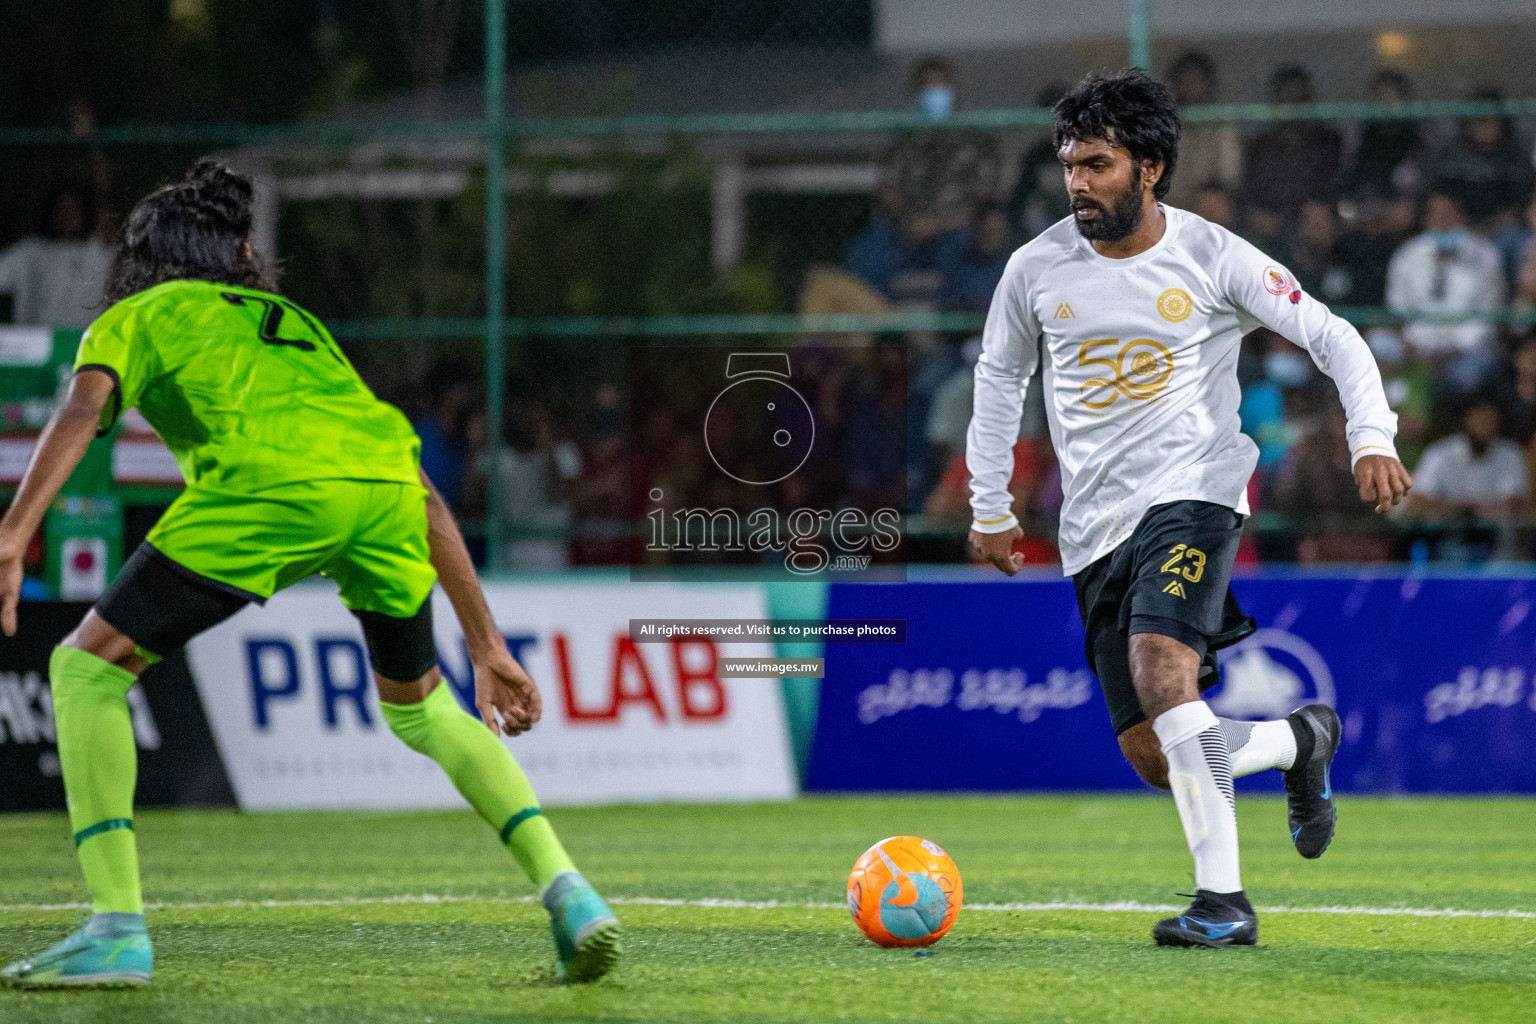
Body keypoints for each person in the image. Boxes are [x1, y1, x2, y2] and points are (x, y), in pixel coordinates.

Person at [0, 162, 620, 987]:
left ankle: (116, 928)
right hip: (387, 495)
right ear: (239, 252)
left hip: (268, 491)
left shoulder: (134, 316)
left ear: (145, 257)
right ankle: (571, 893)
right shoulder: (292, 322)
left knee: (83, 669)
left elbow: (81, 410)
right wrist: (487, 643)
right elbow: (421, 487)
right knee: (426, 707)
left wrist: (13, 533)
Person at [966, 71, 1410, 948]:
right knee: (1151, 754)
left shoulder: (1214, 256)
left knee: (1164, 672)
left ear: (1152, 167)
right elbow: (998, 380)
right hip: (1092, 529)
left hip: (1196, 491)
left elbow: (1334, 335)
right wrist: (990, 502)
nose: (1078, 183)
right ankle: (1295, 743)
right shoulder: (1036, 267)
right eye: (1069, 165)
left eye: (1098, 164)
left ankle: (1223, 905)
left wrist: (1373, 436)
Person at [1385, 188, 1505, 394]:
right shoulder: (1407, 256)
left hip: (1465, 350)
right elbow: (1397, 309)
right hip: (1415, 347)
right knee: (1380, 346)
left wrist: (1455, 349)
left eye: (1448, 213)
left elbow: (1489, 314)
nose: (1442, 220)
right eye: (1435, 213)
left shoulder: (1486, 256)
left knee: (1473, 370)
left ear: (1461, 215)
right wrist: (1414, 346)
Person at [0, 181, 115, 329]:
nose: (68, 216)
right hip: (37, 346)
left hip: (85, 345)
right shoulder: (29, 252)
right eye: (62, 209)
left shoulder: (103, 253)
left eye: (74, 209)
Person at [1240, 65, 1343, 220]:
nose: (1293, 108)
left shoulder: (1329, 142)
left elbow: (1335, 189)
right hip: (1269, 223)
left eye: (1299, 100)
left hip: (1312, 223)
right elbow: (1250, 192)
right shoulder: (1261, 146)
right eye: (1286, 98)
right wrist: (1260, 215)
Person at [1162, 51, 1241, 210]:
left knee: (1213, 203)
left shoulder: (1222, 126)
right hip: (1168, 203)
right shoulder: (1166, 125)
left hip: (1206, 204)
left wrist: (1204, 193)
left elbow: (1229, 178)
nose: (1191, 85)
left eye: (1196, 79)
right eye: (1186, 79)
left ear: (1208, 82)